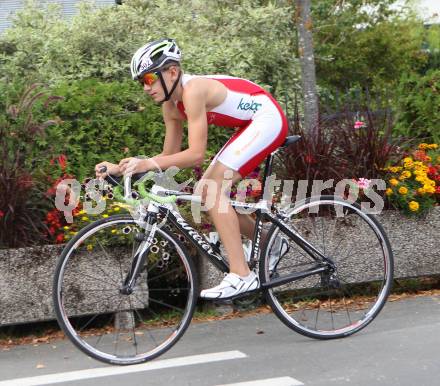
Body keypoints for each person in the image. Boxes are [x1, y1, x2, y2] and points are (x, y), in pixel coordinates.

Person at [95, 38, 289, 299]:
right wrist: (121, 168)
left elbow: (196, 155)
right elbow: (168, 156)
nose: (145, 87)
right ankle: (270, 240)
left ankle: (242, 275)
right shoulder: (170, 106)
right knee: (204, 191)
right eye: (141, 82)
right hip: (249, 124)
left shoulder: (193, 91)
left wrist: (147, 163)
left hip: (267, 118)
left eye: (149, 78)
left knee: (210, 190)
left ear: (172, 72)